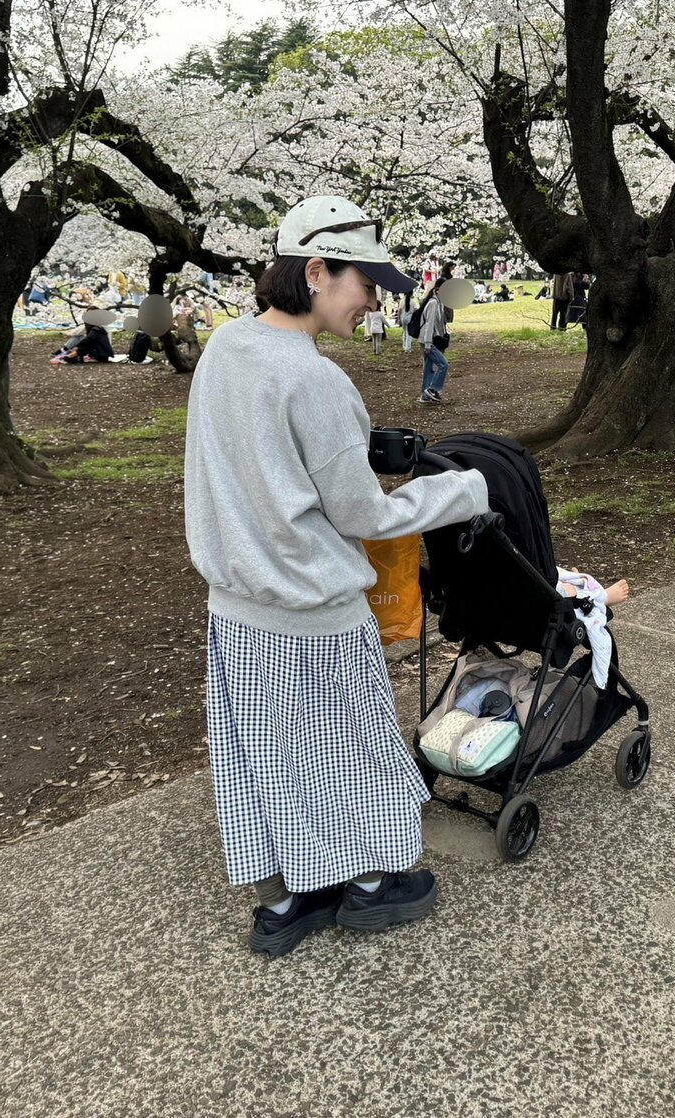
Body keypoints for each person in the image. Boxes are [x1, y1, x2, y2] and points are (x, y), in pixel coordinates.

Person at [184, 194, 489, 957]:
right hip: (315, 613)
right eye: (365, 282)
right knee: (352, 750)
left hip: (235, 609)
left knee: (266, 753)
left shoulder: (225, 347)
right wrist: (470, 485)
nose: (375, 299)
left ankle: (287, 899)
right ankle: (370, 886)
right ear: (316, 271)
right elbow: (366, 515)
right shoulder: (315, 379)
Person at [417, 277, 449, 405]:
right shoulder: (433, 303)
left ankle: (425, 395)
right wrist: (428, 343)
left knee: (429, 368)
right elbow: (429, 324)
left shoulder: (438, 303)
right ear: (437, 289)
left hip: (427, 339)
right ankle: (433, 389)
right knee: (443, 364)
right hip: (427, 339)